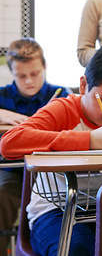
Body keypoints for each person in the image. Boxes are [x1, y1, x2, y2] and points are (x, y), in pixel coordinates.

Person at [0, 44, 102, 256]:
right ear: (83, 86)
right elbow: (9, 143)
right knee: (79, 249)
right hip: (56, 210)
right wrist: (88, 139)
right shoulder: (63, 109)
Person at [0, 37, 69, 256]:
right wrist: (4, 113)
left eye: (35, 73)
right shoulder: (2, 96)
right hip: (12, 170)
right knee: (1, 196)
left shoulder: (61, 95)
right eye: (21, 76)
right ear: (12, 72)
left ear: (45, 67)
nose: (29, 81)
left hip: (51, 173)